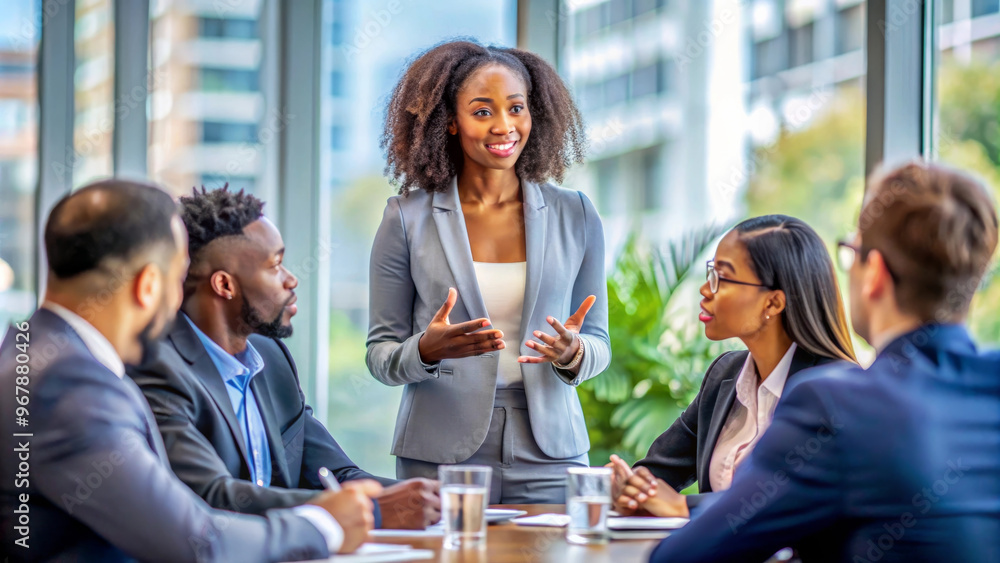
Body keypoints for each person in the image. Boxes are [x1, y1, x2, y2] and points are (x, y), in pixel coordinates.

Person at [622, 162, 1000, 562]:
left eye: (851, 252)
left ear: (873, 273)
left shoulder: (835, 403)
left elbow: (681, 558)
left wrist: (683, 509)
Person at [0, 180, 380, 562]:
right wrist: (324, 524)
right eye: (178, 277)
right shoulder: (67, 385)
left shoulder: (37, 358)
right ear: (149, 285)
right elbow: (197, 542)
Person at [367, 40, 611, 504]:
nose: (504, 126)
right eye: (482, 111)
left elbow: (599, 343)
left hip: (551, 454)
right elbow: (380, 354)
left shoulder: (575, 213)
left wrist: (573, 352)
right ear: (451, 122)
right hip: (440, 454)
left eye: (516, 108)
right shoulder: (405, 218)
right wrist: (425, 350)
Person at [127, 186, 440, 530]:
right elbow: (210, 495)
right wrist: (372, 510)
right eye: (275, 265)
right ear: (224, 285)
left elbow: (334, 473)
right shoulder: (157, 368)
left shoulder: (270, 355)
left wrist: (435, 498)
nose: (291, 279)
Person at [609, 215, 857, 513]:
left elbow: (787, 502)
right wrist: (632, 488)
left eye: (721, 277)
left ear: (773, 303)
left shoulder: (836, 389)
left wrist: (684, 506)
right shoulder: (724, 375)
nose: (705, 290)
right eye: (710, 272)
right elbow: (655, 474)